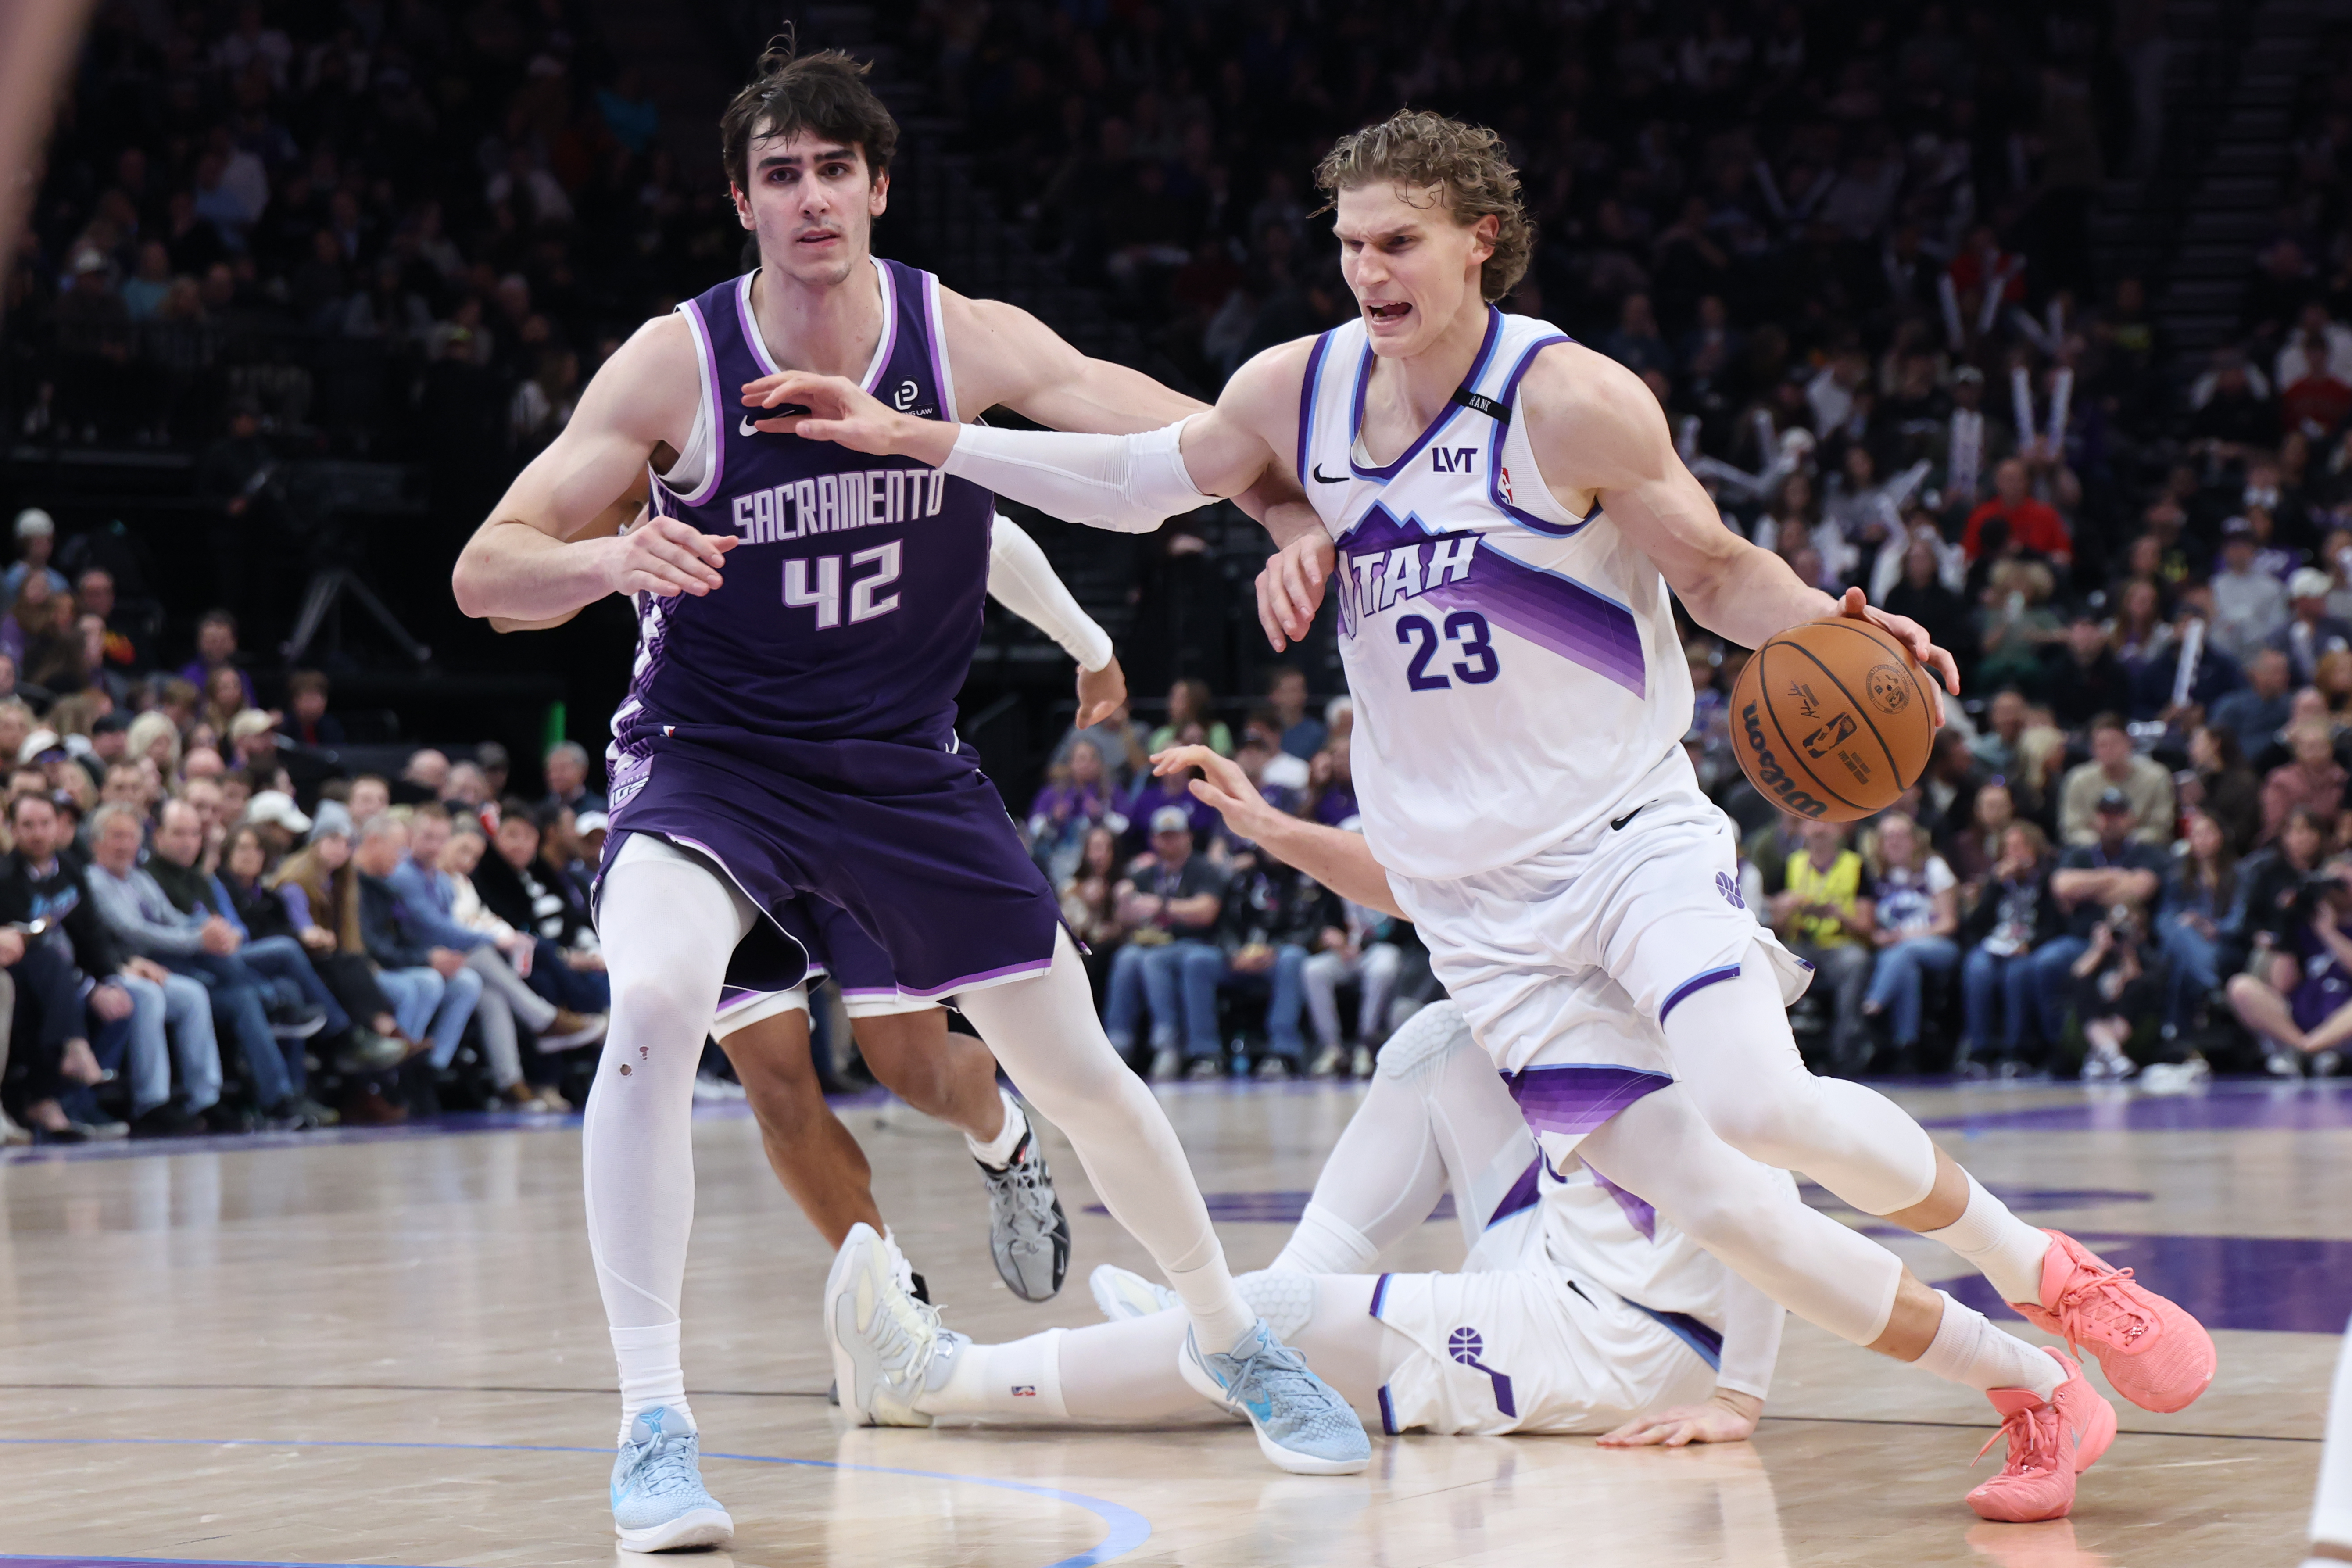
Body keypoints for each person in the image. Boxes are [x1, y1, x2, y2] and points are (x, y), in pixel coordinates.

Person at [769, 104, 2216, 1522]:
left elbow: (1716, 572)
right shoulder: (1296, 391)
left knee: (1758, 1103)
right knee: (1720, 1209)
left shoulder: (1568, 399)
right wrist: (922, 440)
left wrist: (1834, 627)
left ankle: (2051, 1273)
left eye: (1399, 242)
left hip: (1624, 837)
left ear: (1480, 241)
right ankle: (2034, 1384)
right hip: (1481, 914)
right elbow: (1144, 481)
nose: (1369, 272)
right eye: (1350, 245)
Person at [446, 45, 1368, 1542]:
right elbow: (486, 570)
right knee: (658, 1004)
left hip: (902, 764)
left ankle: (1228, 1332)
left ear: (879, 185)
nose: (811, 197)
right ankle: (654, 1424)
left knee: (1075, 1069)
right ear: (742, 201)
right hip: (713, 759)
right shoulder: (676, 363)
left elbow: (1174, 434)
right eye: (781, 174)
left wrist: (1280, 506)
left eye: (835, 169)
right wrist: (609, 555)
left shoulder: (964, 335)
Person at [831, 999, 1787, 1447]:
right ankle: (1245, 1315)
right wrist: (1268, 824)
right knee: (1438, 1043)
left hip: (1624, 1338)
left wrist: (1738, 1398)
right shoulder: (1574, 891)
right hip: (1562, 1249)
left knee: (1274, 1320)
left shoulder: (1687, 975)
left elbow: (1769, 1188)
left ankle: (935, 1379)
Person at [1101, 805, 1231, 1079]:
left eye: (1175, 835)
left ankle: (1171, 1043)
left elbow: (1207, 911)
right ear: (1154, 839)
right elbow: (1124, 921)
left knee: (1156, 959)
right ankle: (1118, 1042)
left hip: (1200, 942)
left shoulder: (1204, 869)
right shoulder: (1146, 873)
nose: (1169, 842)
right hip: (1155, 943)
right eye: (1163, 836)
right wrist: (1123, 900)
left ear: (1188, 836)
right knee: (1127, 957)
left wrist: (1163, 906)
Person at [1769, 818, 1875, 1073]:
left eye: (1827, 823)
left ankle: (1846, 1052)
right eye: (1813, 824)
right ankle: (1777, 1050)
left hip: (1840, 944)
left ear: (1840, 829)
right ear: (1802, 829)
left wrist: (1839, 914)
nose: (1820, 829)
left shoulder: (1856, 865)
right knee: (1773, 959)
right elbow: (1772, 925)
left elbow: (1867, 926)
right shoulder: (1790, 864)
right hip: (1799, 944)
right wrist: (1787, 908)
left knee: (1856, 962)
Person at [1860, 814, 1959, 1064]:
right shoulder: (1875, 876)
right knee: (1906, 969)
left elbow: (1949, 923)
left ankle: (1874, 1003)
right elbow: (1872, 928)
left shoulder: (1934, 867)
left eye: (1901, 836)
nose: (1894, 842)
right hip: (1894, 954)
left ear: (1915, 840)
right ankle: (1907, 1047)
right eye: (1888, 837)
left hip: (1937, 945)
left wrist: (1906, 937)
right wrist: (1880, 937)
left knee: (1904, 952)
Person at [2057, 713, 2176, 847]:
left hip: (2142, 850)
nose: (2109, 750)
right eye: (2102, 745)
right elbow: (2072, 829)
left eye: (2114, 743)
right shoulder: (2078, 779)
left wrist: (2125, 841)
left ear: (2129, 743)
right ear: (2093, 750)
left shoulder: (2157, 777)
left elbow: (2162, 828)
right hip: (2091, 850)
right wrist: (2103, 842)